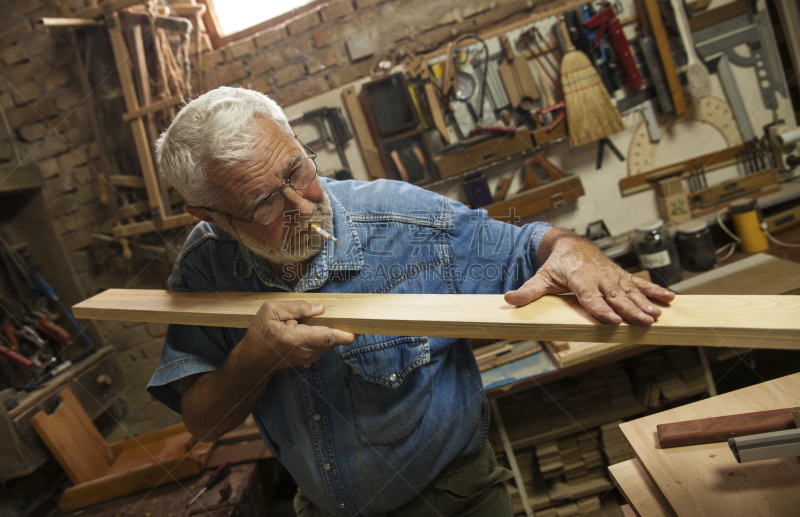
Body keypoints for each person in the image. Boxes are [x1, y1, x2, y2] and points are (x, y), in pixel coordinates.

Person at [147, 87, 674, 517]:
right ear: (211, 217)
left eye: (297, 172)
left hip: (455, 505)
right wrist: (255, 359)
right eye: (265, 203)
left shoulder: (403, 222)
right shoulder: (203, 270)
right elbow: (203, 423)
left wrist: (575, 251)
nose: (303, 207)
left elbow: (524, 247)